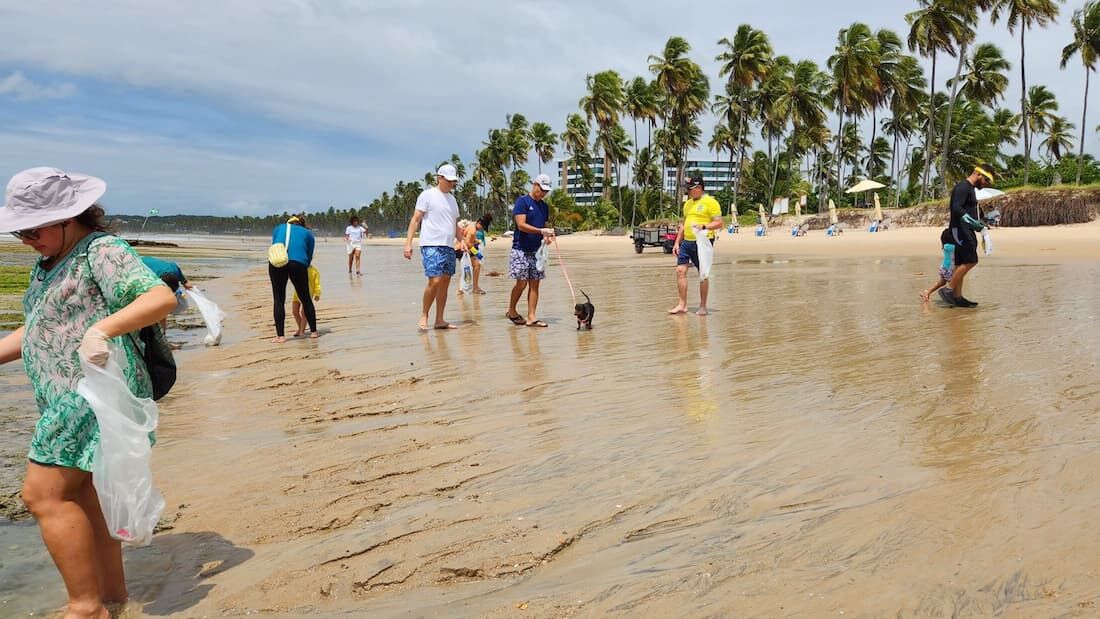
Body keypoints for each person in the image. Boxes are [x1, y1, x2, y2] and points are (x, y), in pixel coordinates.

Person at [0, 167, 177, 619]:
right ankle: (112, 596)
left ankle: (85, 607)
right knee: (82, 497)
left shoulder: (101, 250)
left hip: (92, 390)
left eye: (33, 229)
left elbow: (157, 297)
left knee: (42, 495)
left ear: (68, 217)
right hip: (63, 393)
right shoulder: (48, 264)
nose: (26, 238)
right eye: (19, 230)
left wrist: (102, 329)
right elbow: (39, 328)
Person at [404, 164, 466, 330]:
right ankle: (424, 315)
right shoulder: (427, 195)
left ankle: (440, 319)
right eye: (449, 180)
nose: (452, 184)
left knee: (445, 282)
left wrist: (462, 240)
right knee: (435, 280)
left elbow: (455, 224)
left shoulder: (453, 200)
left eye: (454, 181)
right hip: (431, 244)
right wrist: (408, 243)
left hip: (449, 246)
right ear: (440, 178)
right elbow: (415, 220)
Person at [938, 165, 993, 308]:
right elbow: (956, 208)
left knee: (961, 262)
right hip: (960, 230)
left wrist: (979, 226)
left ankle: (957, 297)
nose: (986, 184)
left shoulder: (969, 189)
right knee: (971, 260)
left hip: (965, 229)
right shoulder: (963, 187)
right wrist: (975, 224)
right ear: (980, 175)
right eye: (987, 181)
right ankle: (948, 289)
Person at [668, 175, 724, 316]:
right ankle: (682, 305)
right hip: (687, 242)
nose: (688, 192)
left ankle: (703, 306)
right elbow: (684, 223)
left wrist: (704, 226)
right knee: (680, 271)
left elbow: (719, 223)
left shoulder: (711, 202)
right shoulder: (687, 204)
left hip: (703, 242)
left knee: (702, 274)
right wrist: (676, 242)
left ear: (699, 188)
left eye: (690, 189)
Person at [506, 174, 555, 327]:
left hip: (537, 251)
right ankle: (512, 310)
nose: (543, 193)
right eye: (541, 189)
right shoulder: (522, 202)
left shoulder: (544, 207)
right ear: (534, 185)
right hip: (520, 249)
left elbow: (544, 225)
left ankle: (531, 317)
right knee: (521, 283)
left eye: (546, 191)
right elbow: (521, 225)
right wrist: (542, 231)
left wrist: (547, 237)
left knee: (535, 284)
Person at [269, 213, 316, 342]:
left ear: (288, 222)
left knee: (278, 299)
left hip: (277, 262)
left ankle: (280, 336)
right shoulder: (307, 233)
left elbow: (275, 245)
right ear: (301, 224)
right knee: (305, 298)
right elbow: (309, 254)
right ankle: (313, 332)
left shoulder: (279, 228)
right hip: (298, 262)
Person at [140, 256, 193, 332]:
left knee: (161, 308)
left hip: (153, 265)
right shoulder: (151, 277)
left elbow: (175, 266)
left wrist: (184, 282)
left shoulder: (174, 270)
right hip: (141, 263)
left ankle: (163, 334)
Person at [456, 213, 493, 296]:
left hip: (459, 247)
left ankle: (460, 290)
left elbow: (465, 236)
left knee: (465, 268)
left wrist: (475, 240)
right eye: (482, 228)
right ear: (479, 223)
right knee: (476, 265)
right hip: (462, 248)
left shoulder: (472, 225)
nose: (482, 230)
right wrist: (477, 253)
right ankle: (474, 288)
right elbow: (468, 243)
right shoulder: (472, 230)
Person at [920, 228, 956, 303]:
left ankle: (927, 292)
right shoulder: (950, 246)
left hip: (944, 268)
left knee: (941, 283)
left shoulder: (945, 246)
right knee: (953, 285)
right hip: (949, 269)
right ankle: (951, 299)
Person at [292, 263, 322, 337]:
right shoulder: (298, 268)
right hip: (297, 292)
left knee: (304, 312)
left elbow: (317, 284)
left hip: (308, 293)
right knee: (295, 311)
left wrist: (317, 294)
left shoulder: (314, 271)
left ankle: (301, 331)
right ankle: (300, 328)